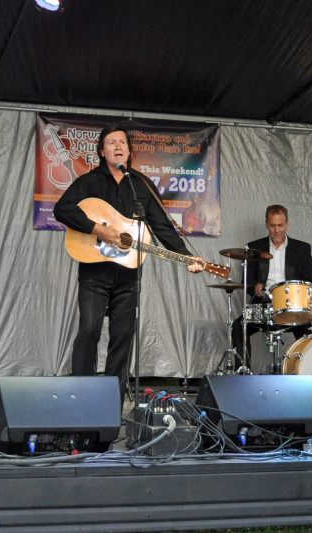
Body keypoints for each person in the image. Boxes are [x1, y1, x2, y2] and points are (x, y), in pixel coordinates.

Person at [54, 125, 202, 400]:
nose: (118, 146)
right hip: (94, 273)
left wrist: (185, 255)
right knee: (89, 330)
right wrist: (99, 230)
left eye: (122, 142)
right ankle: (80, 396)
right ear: (102, 151)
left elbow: (161, 226)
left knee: (123, 337)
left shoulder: (141, 185)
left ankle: (112, 401)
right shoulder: (89, 182)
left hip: (129, 277)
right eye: (111, 142)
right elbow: (62, 209)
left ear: (130, 150)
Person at [230, 204, 312, 371]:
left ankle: (306, 373)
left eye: (280, 225)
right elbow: (246, 281)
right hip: (262, 304)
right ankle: (243, 374)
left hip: (291, 306)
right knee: (238, 326)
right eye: (272, 225)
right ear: (266, 224)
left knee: (307, 334)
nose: (276, 230)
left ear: (287, 224)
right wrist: (254, 288)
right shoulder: (253, 248)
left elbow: (310, 282)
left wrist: (295, 294)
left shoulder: (302, 249)